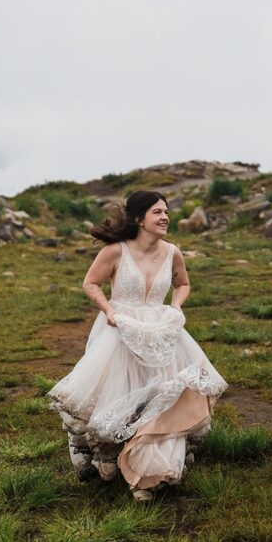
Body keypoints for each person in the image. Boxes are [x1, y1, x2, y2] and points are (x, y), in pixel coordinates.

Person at [49, 190, 226, 501]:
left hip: (161, 329)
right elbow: (91, 283)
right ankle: (97, 449)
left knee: (163, 393)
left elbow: (182, 283)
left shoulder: (173, 252)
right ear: (137, 218)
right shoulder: (115, 251)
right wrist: (109, 311)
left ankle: (152, 459)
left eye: (166, 211)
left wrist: (176, 307)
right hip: (120, 329)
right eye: (157, 212)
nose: (165, 217)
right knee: (115, 393)